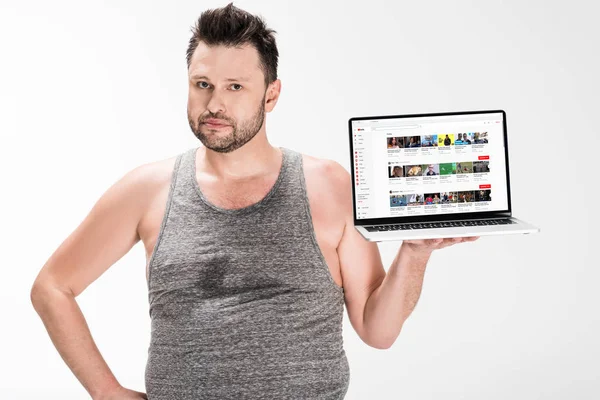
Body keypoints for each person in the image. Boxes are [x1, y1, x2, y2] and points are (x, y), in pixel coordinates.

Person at [29, 3, 478, 399]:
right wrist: (106, 392)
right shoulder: (148, 189)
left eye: (235, 87)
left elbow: (377, 331)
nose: (214, 104)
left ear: (272, 94)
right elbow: (52, 287)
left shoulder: (329, 185)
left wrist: (415, 253)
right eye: (202, 84)